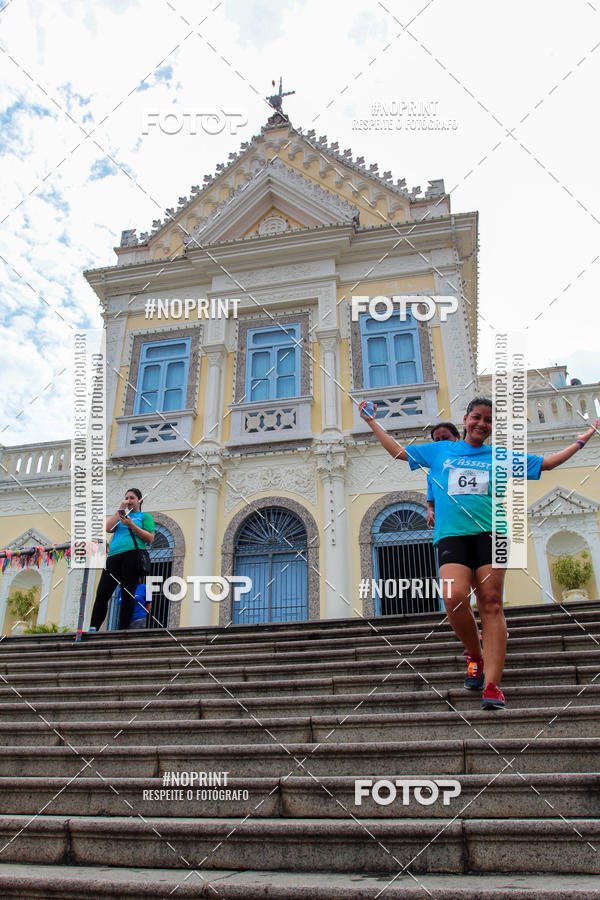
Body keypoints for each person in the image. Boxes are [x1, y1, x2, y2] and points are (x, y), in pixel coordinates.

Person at [360, 397, 598, 710]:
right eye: (477, 417)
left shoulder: (499, 456)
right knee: (454, 596)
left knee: (491, 603)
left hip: (493, 535)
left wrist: (586, 437)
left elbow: (548, 463)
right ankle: (474, 653)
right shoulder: (441, 451)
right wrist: (372, 423)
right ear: (466, 418)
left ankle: (492, 686)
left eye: (487, 420)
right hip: (452, 535)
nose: (481, 424)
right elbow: (397, 451)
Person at [89, 488, 155, 631]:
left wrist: (131, 525)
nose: (129, 501)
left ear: (139, 500)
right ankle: (93, 627)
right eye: (126, 498)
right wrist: (121, 509)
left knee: (127, 593)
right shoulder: (120, 516)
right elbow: (107, 528)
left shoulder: (144, 516)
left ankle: (123, 628)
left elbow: (150, 538)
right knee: (102, 593)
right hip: (114, 556)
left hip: (132, 555)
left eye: (132, 498)